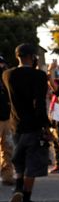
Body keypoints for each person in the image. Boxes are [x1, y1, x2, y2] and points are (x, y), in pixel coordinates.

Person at [3, 43, 51, 202]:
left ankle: (17, 189)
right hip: (33, 125)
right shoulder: (38, 76)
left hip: (15, 124)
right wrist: (46, 126)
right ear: (32, 57)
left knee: (19, 160)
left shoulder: (7, 75)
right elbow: (39, 104)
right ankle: (26, 199)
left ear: (17, 56)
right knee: (32, 163)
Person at [0, 55, 14, 185]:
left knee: (8, 147)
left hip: (6, 118)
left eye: (2, 63)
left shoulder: (6, 80)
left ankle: (7, 176)